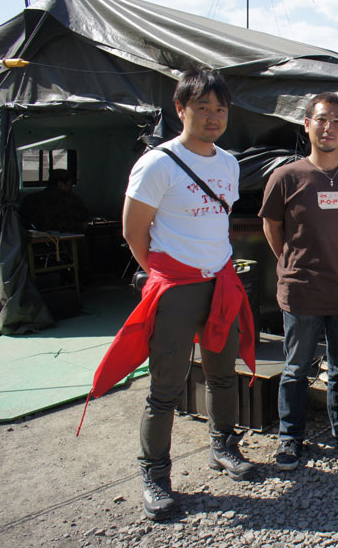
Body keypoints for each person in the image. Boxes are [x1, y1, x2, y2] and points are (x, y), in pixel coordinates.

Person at [121, 69, 256, 521]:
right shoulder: (157, 163)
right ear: (180, 110)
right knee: (166, 388)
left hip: (220, 283)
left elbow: (218, 221)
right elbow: (133, 231)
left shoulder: (228, 163)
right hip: (177, 287)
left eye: (220, 109)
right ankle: (154, 476)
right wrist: (165, 276)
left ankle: (223, 447)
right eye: (203, 107)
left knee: (222, 374)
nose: (213, 117)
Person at [259, 92, 338, 471]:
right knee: (296, 368)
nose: (329, 128)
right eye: (322, 120)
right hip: (302, 290)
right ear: (306, 125)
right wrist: (291, 263)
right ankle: (290, 439)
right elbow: (271, 227)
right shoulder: (286, 176)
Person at [20, 169, 90, 233]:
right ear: (60, 184)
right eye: (69, 185)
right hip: (66, 241)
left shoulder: (31, 199)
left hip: (36, 242)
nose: (70, 187)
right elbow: (83, 216)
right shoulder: (69, 199)